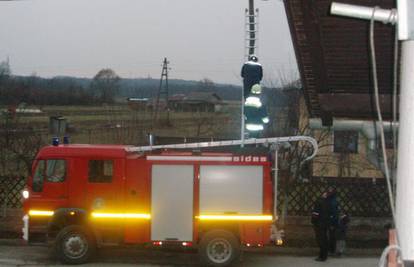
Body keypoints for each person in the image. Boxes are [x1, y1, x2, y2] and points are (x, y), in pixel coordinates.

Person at [311, 192, 330, 261]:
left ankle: (322, 256)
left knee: (320, 240)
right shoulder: (328, 203)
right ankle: (324, 255)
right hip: (325, 224)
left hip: (319, 224)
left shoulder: (318, 202)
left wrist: (313, 221)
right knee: (324, 239)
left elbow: (315, 213)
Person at [327, 187, 339, 255]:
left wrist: (332, 223)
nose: (329, 192)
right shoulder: (331, 200)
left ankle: (331, 250)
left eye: (330, 191)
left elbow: (334, 213)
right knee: (331, 236)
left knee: (332, 236)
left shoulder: (333, 201)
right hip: (330, 220)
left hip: (332, 221)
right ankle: (331, 250)